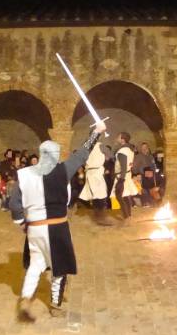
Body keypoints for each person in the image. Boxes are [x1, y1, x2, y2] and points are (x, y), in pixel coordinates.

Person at [9, 120, 106, 321]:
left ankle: (26, 299)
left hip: (34, 228)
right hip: (57, 227)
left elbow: (14, 204)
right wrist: (96, 132)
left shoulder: (25, 174)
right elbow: (82, 154)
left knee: (36, 265)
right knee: (59, 267)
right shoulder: (63, 170)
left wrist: (21, 223)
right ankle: (55, 305)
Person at [79, 135, 115, 225]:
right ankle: (102, 217)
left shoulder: (86, 146)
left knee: (95, 195)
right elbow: (112, 156)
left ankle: (97, 216)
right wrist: (106, 157)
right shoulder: (100, 146)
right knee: (101, 195)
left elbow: (81, 159)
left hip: (89, 172)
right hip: (97, 173)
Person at [111, 132, 138, 224]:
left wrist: (121, 180)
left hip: (122, 176)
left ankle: (126, 217)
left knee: (119, 195)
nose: (117, 138)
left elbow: (123, 166)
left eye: (118, 136)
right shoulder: (130, 149)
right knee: (125, 195)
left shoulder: (123, 151)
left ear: (123, 139)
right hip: (127, 174)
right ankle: (129, 215)